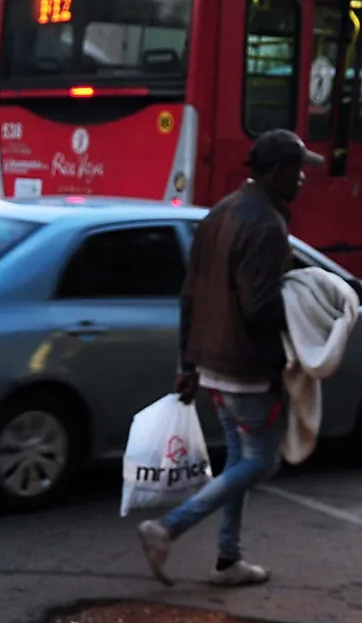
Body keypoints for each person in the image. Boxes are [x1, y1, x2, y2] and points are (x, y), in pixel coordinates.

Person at [138, 129, 322, 591]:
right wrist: (306, 309)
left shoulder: (220, 212)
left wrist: (187, 363)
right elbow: (259, 308)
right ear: (276, 171)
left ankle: (228, 559)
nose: (302, 179)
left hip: (211, 365)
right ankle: (168, 528)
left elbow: (190, 294)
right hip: (247, 368)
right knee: (260, 463)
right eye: (298, 169)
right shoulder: (266, 226)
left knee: (239, 462)